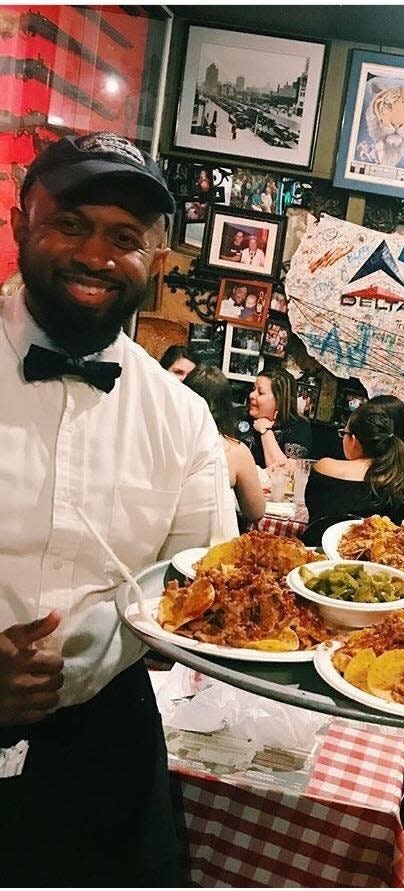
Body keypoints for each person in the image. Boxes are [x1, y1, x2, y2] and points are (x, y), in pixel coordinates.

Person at [0, 131, 236, 886]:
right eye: (71, 223)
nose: (97, 256)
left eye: (124, 237)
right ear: (19, 223)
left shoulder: (183, 418)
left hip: (106, 744)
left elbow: (206, 588)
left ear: (155, 258)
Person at [304, 402, 404, 539]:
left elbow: (313, 513)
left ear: (354, 440)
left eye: (344, 433)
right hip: (370, 560)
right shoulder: (398, 483)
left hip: (317, 556)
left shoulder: (324, 467)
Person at [183, 365, 265, 524]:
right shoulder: (234, 450)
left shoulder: (164, 441)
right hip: (210, 545)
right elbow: (256, 512)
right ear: (227, 407)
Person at [243, 368, 312, 467]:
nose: (251, 395)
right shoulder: (241, 415)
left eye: (260, 393)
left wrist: (265, 431)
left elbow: (286, 475)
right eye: (253, 389)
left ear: (280, 401)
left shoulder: (299, 428)